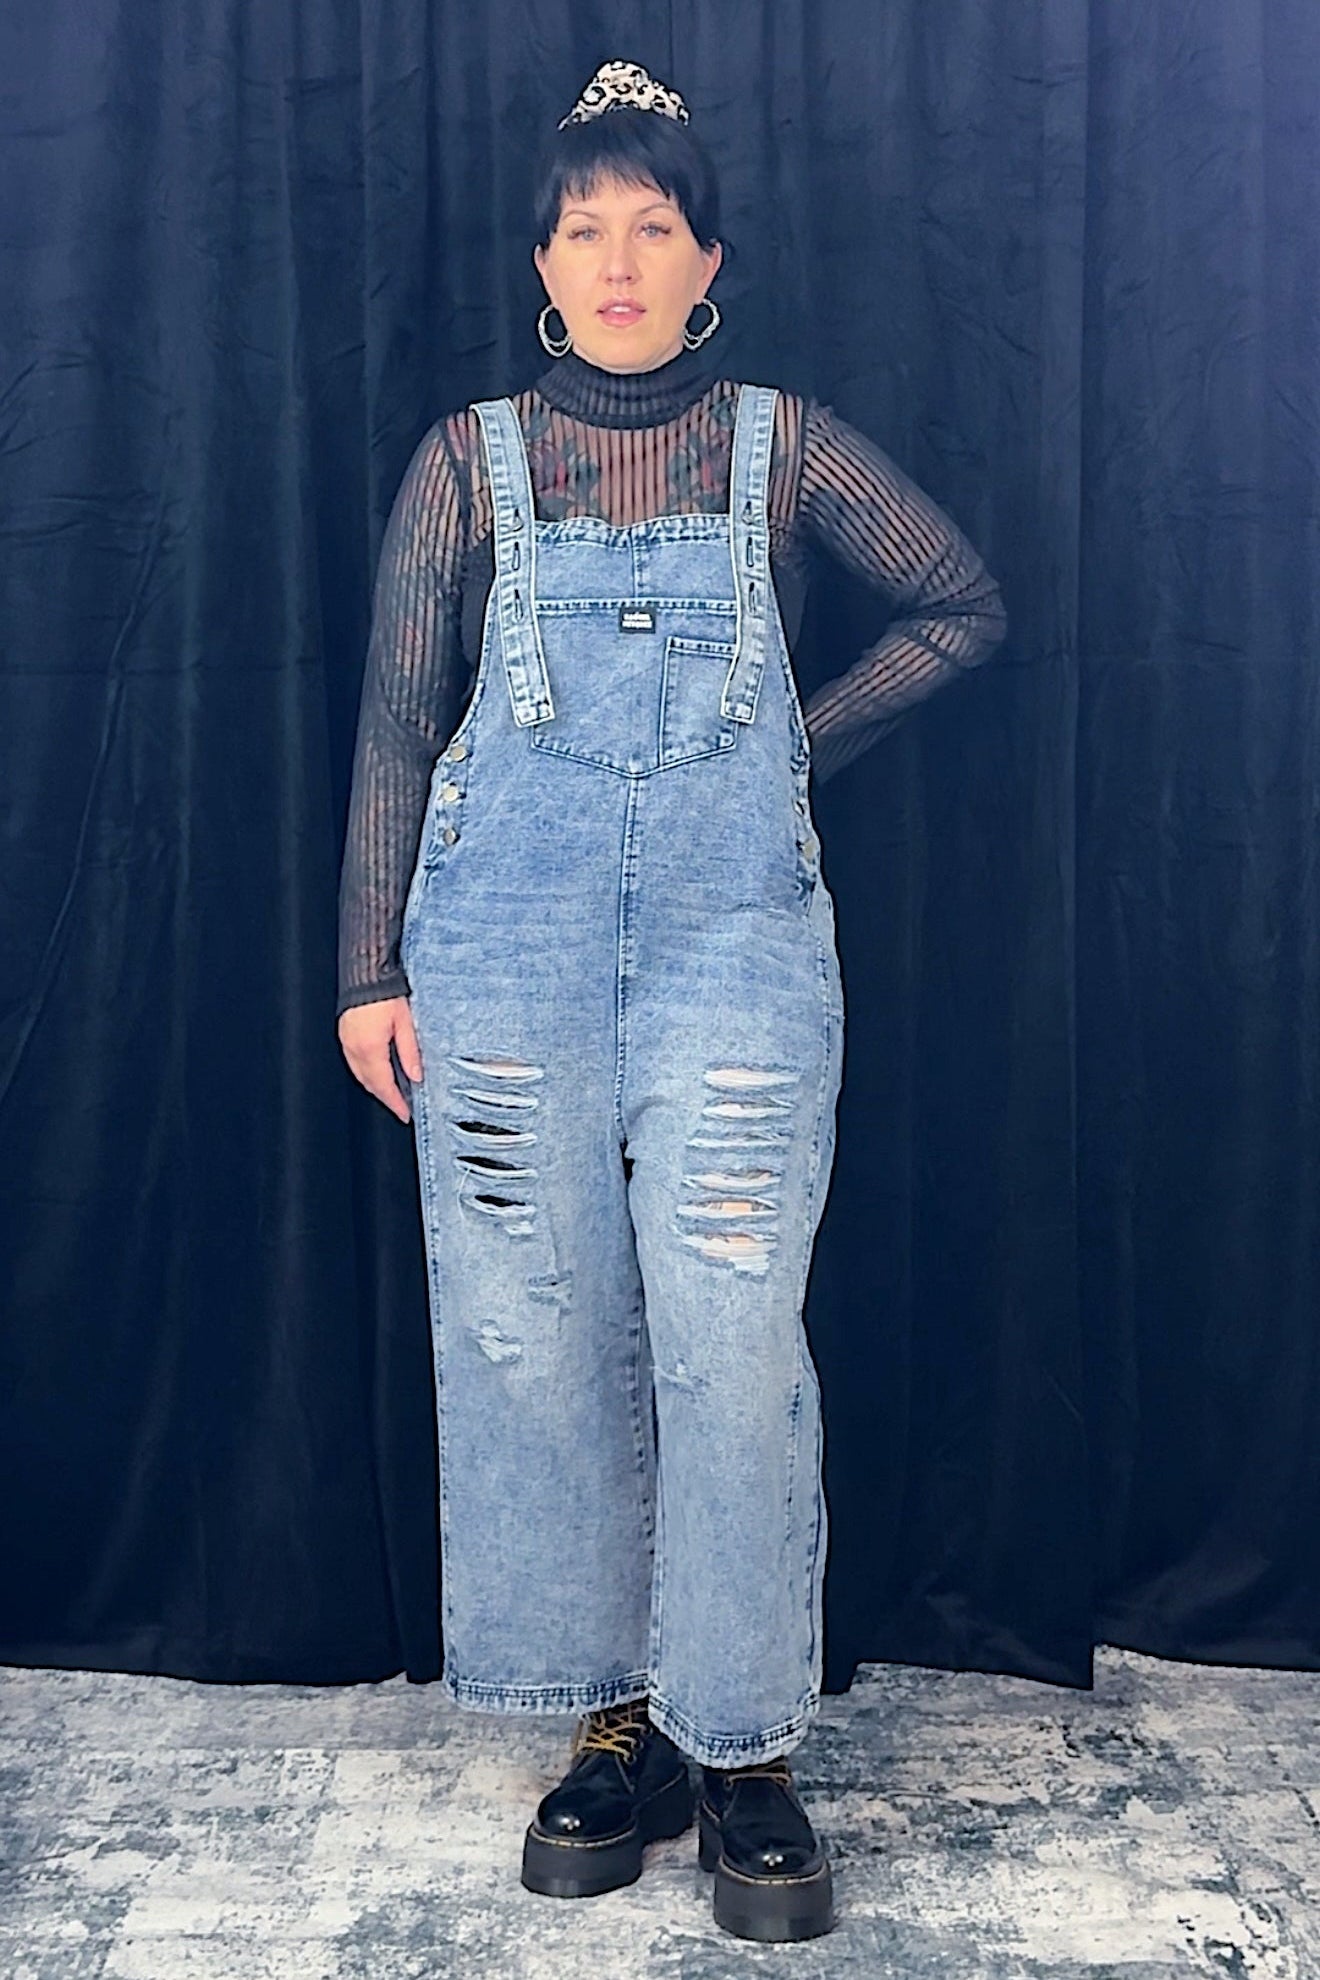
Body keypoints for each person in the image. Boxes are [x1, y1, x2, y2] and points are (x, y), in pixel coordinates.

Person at [336, 57, 1008, 1943]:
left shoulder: (784, 448)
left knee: (729, 1341)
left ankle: (750, 1747)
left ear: (706, 256)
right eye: (582, 228)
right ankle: (608, 1722)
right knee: (535, 1337)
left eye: (652, 225)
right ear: (541, 265)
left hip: (737, 957)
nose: (615, 260)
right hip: (499, 963)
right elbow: (399, 719)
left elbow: (958, 602)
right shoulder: (465, 465)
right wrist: (364, 972)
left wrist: (783, 746)